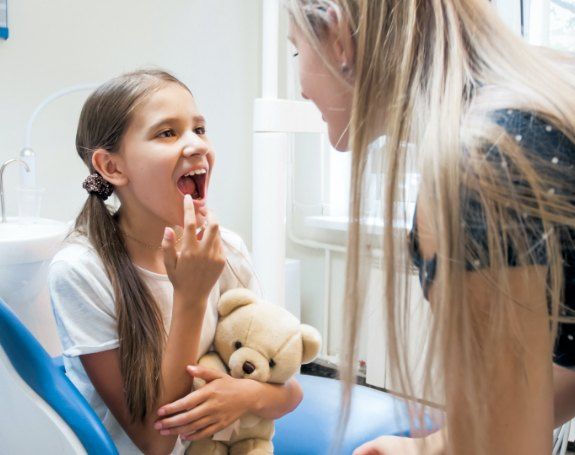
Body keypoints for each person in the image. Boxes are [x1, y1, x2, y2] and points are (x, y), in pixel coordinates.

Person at [286, 0, 575, 453]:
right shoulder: (535, 102)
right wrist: (431, 445)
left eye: (295, 50)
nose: (300, 88)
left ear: (338, 33)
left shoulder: (483, 163)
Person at [48, 69, 302, 455]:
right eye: (167, 133)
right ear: (112, 167)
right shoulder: (82, 271)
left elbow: (290, 391)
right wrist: (191, 295)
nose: (196, 145)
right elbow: (155, 440)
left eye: (199, 129)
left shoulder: (226, 249)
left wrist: (245, 397)